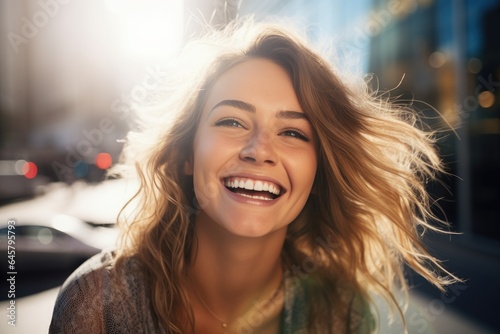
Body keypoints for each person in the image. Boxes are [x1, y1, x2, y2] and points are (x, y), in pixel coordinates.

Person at [49, 18, 459, 334]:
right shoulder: (97, 304)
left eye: (293, 132)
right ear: (187, 153)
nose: (259, 149)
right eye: (231, 121)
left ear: (318, 170)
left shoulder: (341, 310)